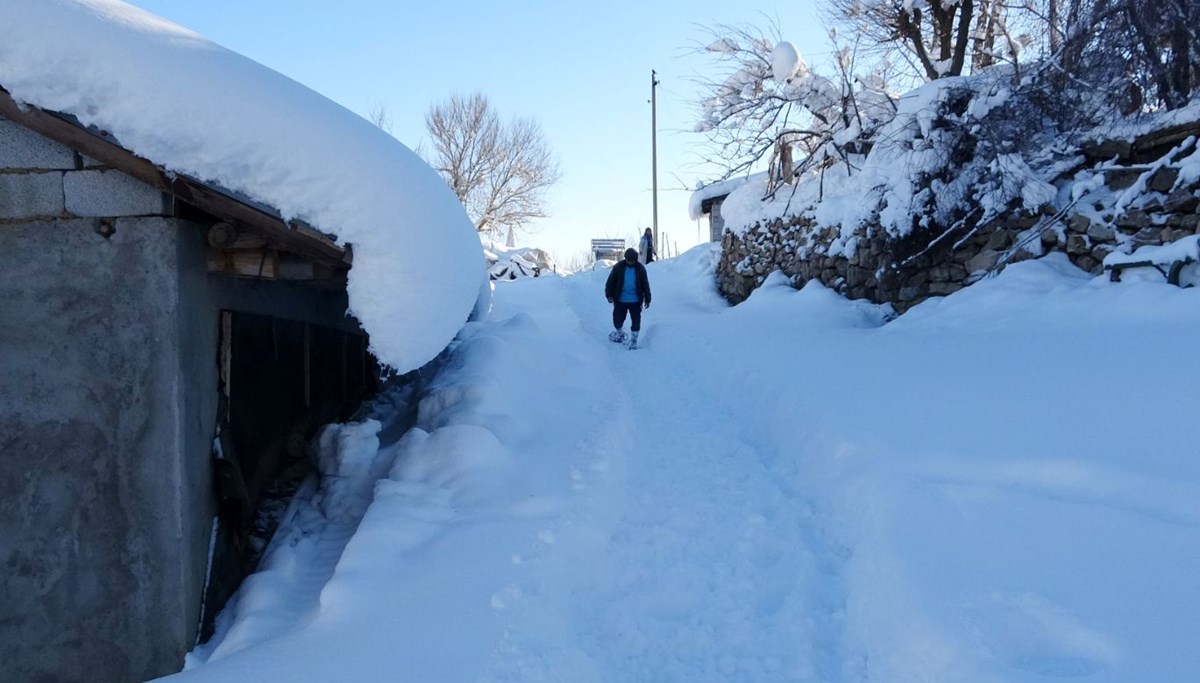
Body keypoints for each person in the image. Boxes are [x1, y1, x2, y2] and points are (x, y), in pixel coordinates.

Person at [605, 248, 651, 347]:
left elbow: (645, 284)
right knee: (617, 320)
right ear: (625, 259)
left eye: (633, 261)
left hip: (635, 300)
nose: (630, 263)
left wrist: (647, 298)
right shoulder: (618, 267)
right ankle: (619, 333)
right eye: (629, 261)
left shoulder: (640, 269)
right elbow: (610, 282)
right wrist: (609, 295)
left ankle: (634, 340)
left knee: (636, 322)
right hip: (620, 300)